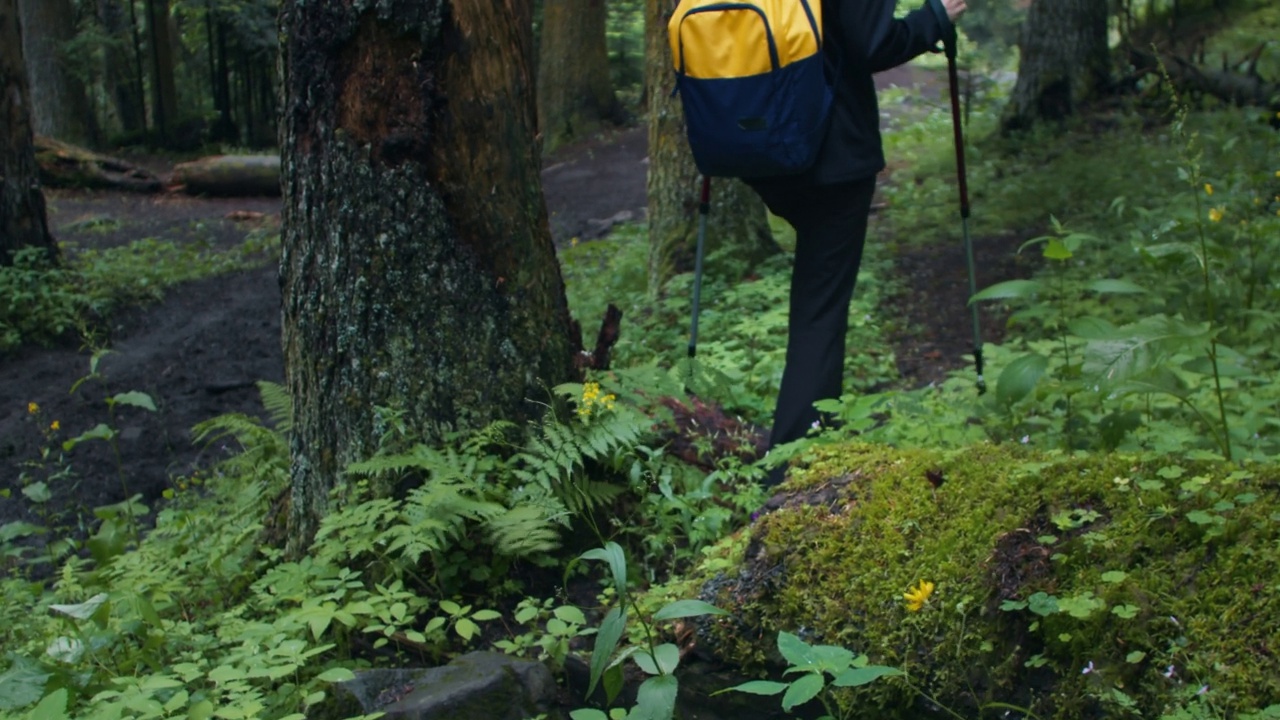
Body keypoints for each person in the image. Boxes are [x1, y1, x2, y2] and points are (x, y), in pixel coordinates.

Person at [751, 0, 967, 486]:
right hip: (831, 154)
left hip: (753, 144)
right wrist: (936, 17)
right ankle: (791, 470)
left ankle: (803, 449)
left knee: (816, 298)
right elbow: (873, 42)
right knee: (820, 311)